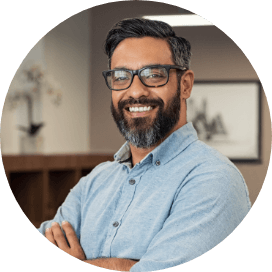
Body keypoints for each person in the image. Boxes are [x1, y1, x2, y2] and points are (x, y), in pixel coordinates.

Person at [38, 18, 251, 271]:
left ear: (185, 85)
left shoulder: (215, 180)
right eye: (120, 76)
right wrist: (126, 265)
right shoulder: (95, 182)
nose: (135, 91)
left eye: (153, 75)